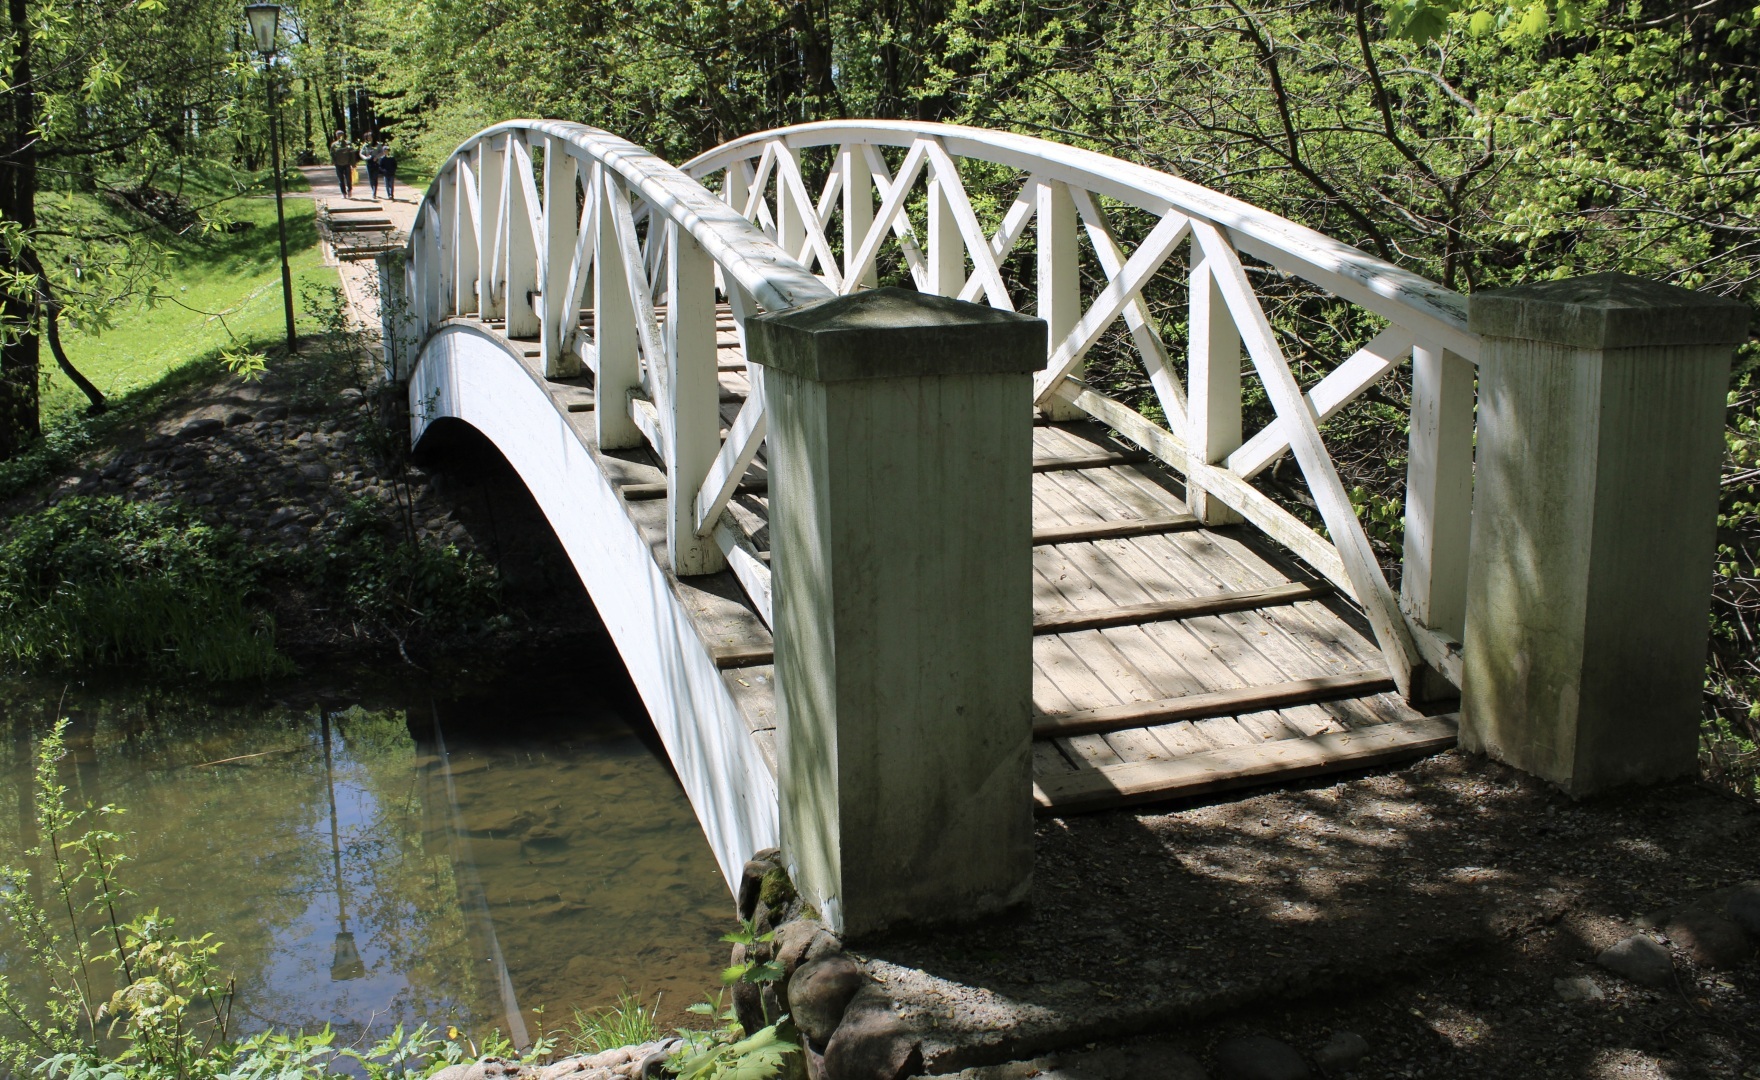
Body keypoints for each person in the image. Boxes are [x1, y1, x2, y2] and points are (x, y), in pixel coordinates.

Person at [328, 130, 357, 197]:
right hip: (338, 164)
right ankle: (343, 193)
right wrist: (334, 162)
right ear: (336, 136)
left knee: (348, 179)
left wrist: (353, 163)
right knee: (341, 180)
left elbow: (352, 154)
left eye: (341, 135)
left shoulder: (348, 143)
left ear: (343, 135)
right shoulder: (334, 145)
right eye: (338, 135)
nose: (340, 136)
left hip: (347, 164)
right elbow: (332, 154)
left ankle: (349, 190)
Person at [360, 131, 385, 199]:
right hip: (368, 163)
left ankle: (374, 192)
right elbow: (361, 153)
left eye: (370, 137)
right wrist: (365, 157)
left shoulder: (378, 145)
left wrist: (377, 157)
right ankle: (373, 190)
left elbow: (382, 152)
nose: (369, 139)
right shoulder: (365, 145)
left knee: (375, 178)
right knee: (371, 178)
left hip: (376, 163)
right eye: (368, 138)